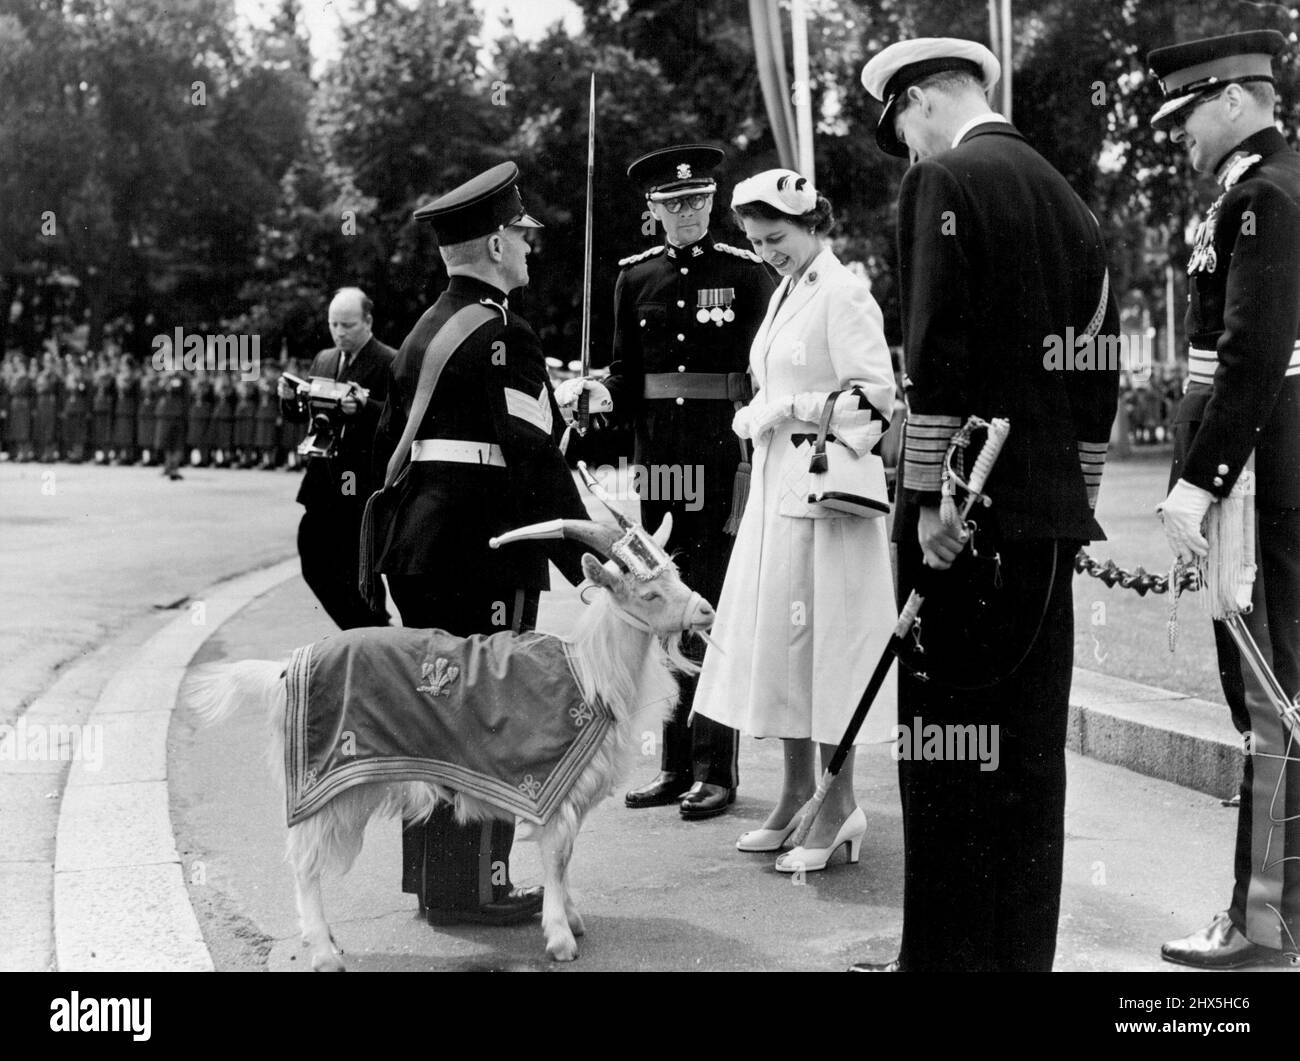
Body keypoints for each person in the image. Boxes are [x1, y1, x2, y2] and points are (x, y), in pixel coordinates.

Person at [857, 37, 1119, 971]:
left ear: (922, 101)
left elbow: (939, 349)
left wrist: (926, 495)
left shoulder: (947, 182)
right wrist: (1074, 499)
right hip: (1046, 523)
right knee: (1028, 760)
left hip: (964, 519)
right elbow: (1099, 369)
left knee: (947, 755)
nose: (910, 153)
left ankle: (943, 961)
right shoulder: (1072, 199)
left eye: (904, 131)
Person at [373, 161, 590, 927]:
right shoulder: (505, 332)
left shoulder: (422, 331)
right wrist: (587, 559)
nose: (531, 249)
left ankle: (435, 883)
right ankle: (481, 885)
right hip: (485, 553)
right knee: (489, 714)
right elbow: (533, 458)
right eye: (523, 236)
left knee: (430, 712)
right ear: (496, 243)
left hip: (422, 550)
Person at [692, 169, 897, 868]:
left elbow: (878, 402)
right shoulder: (786, 290)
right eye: (754, 242)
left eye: (775, 237)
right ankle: (795, 793)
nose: (766, 252)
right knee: (783, 647)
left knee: (828, 647)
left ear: (812, 223)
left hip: (826, 500)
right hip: (780, 494)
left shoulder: (845, 291)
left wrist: (792, 409)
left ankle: (839, 807)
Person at [1148, 29, 1300, 970]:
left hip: (1254, 476)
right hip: (1263, 463)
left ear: (1238, 98)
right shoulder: (1259, 190)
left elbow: (1249, 357)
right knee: (1276, 693)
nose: (1180, 135)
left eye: (1189, 113)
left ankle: (1263, 918)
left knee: (1267, 698)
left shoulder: (1265, 197)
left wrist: (1196, 485)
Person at [573, 144, 774, 821]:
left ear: (712, 204)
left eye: (696, 202)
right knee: (663, 608)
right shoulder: (634, 278)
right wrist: (598, 397)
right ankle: (675, 762)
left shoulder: (746, 275)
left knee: (711, 608)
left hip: (722, 463)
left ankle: (717, 768)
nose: (686, 213)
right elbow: (627, 376)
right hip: (659, 466)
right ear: (651, 211)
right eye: (672, 204)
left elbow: (763, 374)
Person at [278, 287, 395, 630]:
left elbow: (398, 419)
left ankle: (373, 633)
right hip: (323, 480)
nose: (340, 333)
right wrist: (289, 399)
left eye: (348, 325)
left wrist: (364, 408)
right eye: (333, 325)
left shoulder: (390, 360)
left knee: (360, 569)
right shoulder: (325, 360)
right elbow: (309, 415)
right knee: (313, 557)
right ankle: (358, 630)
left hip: (361, 484)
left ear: (368, 321)